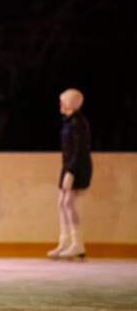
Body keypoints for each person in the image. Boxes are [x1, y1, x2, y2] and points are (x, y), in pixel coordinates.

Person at [47, 88, 92, 259]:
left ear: (70, 103)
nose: (60, 104)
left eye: (62, 101)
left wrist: (71, 171)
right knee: (62, 203)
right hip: (68, 166)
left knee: (68, 203)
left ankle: (77, 243)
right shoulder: (69, 121)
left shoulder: (78, 123)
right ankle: (64, 241)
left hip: (77, 167)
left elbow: (80, 150)